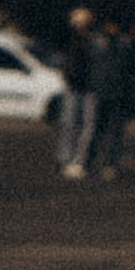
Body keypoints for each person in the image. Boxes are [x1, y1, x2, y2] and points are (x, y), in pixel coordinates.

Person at [86, 20, 135, 178]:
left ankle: (110, 163)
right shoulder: (98, 42)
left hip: (117, 93)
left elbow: (130, 70)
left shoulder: (123, 44)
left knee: (115, 131)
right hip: (101, 90)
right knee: (96, 129)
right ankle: (89, 161)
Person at [56, 11, 98, 178]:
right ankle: (65, 159)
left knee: (85, 126)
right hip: (74, 86)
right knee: (69, 123)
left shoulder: (91, 41)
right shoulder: (71, 41)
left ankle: (78, 160)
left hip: (87, 87)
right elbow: (67, 63)